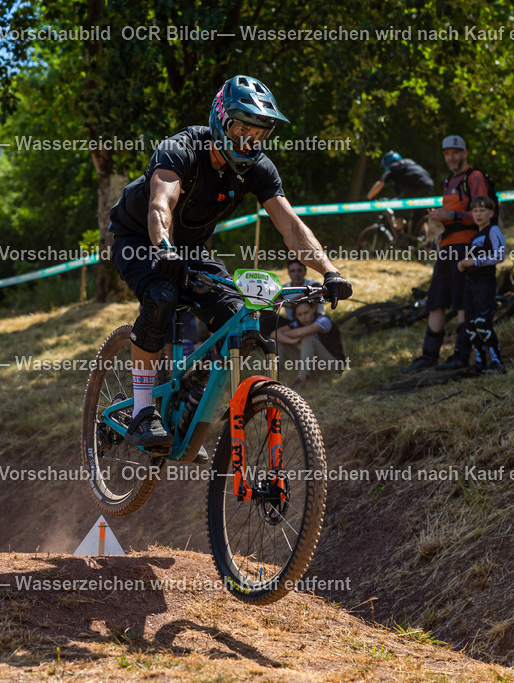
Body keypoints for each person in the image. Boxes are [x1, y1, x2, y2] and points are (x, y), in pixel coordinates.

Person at [108, 75, 353, 449]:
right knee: (161, 296)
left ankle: (192, 395)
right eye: (242, 129)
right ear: (220, 121)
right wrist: (163, 248)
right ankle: (142, 411)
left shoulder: (258, 169)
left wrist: (330, 271)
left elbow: (290, 226)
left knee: (240, 321)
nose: (249, 141)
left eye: (259, 134)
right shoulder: (181, 149)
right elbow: (161, 203)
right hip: (140, 239)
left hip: (190, 248)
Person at [403, 135, 491, 374]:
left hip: (466, 246)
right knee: (436, 299)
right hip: (446, 246)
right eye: (447, 154)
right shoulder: (449, 180)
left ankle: (460, 356)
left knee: (462, 301)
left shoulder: (475, 177)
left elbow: (483, 213)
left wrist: (450, 216)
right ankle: (428, 356)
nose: (451, 158)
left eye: (455, 153)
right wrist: (438, 223)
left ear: (465, 153)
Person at [457, 196, 506, 374]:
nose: (478, 214)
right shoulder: (475, 236)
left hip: (485, 285)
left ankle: (496, 362)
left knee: (482, 324)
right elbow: (472, 258)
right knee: (470, 325)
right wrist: (463, 263)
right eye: (475, 211)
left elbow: (499, 255)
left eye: (482, 211)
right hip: (470, 286)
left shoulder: (493, 230)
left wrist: (475, 262)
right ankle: (480, 362)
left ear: (491, 213)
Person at [271, 301, 347, 393]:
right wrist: (292, 341)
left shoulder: (323, 320)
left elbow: (302, 332)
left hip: (333, 366)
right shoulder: (297, 323)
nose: (303, 317)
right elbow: (274, 334)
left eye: (306, 313)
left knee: (308, 339)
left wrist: (287, 333)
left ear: (313, 309)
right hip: (315, 367)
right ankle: (271, 378)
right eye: (299, 314)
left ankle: (302, 379)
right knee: (278, 342)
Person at [366, 151, 435, 234]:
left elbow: (380, 184)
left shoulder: (393, 166)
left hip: (415, 186)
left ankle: (400, 235)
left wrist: (368, 198)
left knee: (396, 205)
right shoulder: (408, 163)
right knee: (418, 217)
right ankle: (426, 239)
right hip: (429, 185)